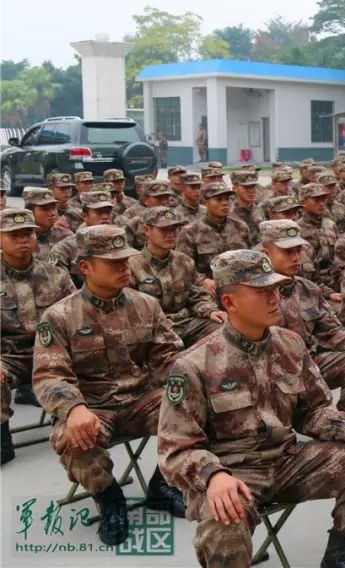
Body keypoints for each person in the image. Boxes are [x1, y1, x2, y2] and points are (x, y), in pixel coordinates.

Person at [157, 249, 345, 568]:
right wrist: (212, 475)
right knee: (223, 517)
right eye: (261, 291)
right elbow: (175, 448)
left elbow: (313, 410)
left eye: (275, 289)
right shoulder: (194, 365)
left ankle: (340, 554)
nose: (274, 298)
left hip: (286, 460)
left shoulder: (290, 344)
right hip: (231, 472)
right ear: (229, 303)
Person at [33, 225, 186, 546]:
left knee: (196, 409)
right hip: (92, 408)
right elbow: (50, 375)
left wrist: (187, 390)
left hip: (141, 399)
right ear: (85, 267)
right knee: (71, 439)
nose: (124, 268)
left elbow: (169, 358)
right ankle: (110, 498)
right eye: (112, 262)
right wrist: (73, 409)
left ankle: (163, 484)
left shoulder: (146, 305)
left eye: (125, 261)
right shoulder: (60, 316)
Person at [260, 220, 345, 413]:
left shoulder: (309, 289)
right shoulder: (255, 295)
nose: (296, 257)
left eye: (298, 251)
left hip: (310, 364)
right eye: (287, 252)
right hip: (272, 374)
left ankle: (344, 416)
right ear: (266, 254)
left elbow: (332, 331)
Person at [0, 208, 76, 465]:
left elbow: (78, 318)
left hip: (52, 354)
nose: (23, 239)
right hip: (8, 356)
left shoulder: (56, 276)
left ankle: (78, 426)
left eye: (28, 233)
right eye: (15, 235)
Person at [128, 207, 225, 346]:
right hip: (154, 331)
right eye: (164, 230)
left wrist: (210, 311)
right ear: (147, 230)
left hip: (186, 325)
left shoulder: (184, 262)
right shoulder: (132, 266)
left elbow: (198, 297)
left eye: (174, 229)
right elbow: (131, 313)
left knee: (222, 328)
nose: (170, 234)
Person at [176, 182, 252, 285]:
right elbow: (183, 267)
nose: (225, 203)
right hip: (209, 288)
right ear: (204, 202)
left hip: (240, 284)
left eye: (227, 199)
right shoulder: (190, 232)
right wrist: (203, 280)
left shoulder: (240, 227)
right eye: (218, 199)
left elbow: (249, 259)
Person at [23, 187, 72, 260]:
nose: (52, 213)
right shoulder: (20, 238)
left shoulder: (65, 236)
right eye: (45, 209)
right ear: (30, 212)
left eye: (53, 208)